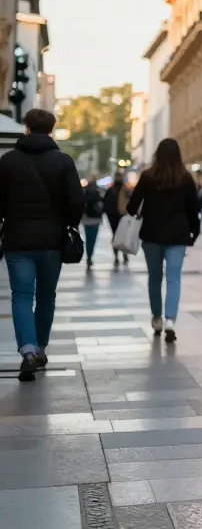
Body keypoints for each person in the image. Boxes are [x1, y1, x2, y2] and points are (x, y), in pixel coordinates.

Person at [0, 109, 85, 381]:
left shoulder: (8, 161)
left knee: (21, 295)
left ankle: (26, 350)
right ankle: (40, 347)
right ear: (51, 129)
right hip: (51, 240)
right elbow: (76, 200)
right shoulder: (62, 161)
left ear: (26, 127)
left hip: (17, 239)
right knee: (46, 295)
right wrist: (68, 222)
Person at [126, 138, 201, 343]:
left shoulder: (148, 176)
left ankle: (156, 317)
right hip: (177, 235)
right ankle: (170, 320)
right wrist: (194, 232)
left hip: (151, 235)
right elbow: (194, 209)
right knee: (174, 278)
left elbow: (132, 207)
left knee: (154, 278)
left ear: (157, 154)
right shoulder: (185, 178)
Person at [104, 171, 131, 268]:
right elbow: (106, 203)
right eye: (117, 176)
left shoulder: (126, 190)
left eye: (120, 176)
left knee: (123, 236)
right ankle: (116, 256)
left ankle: (124, 254)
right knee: (116, 236)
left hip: (123, 216)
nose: (119, 178)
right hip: (113, 216)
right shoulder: (111, 190)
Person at [82, 176, 105, 268]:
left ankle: (89, 255)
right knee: (93, 239)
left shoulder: (85, 195)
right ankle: (90, 255)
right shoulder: (98, 195)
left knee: (88, 239)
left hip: (86, 220)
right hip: (96, 220)